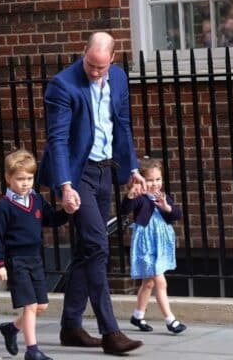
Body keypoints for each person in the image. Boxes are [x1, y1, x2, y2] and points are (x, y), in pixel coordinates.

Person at [37, 31, 146, 355]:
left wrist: (131, 171)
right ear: (84, 53)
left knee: (87, 250)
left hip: (104, 171)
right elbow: (57, 140)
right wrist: (64, 186)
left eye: (101, 67)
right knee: (98, 246)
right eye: (90, 65)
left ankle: (71, 327)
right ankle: (110, 332)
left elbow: (122, 126)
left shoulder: (119, 78)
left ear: (112, 59)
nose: (96, 72)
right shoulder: (63, 85)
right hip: (78, 173)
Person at [0, 148, 69, 360]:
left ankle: (12, 329)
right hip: (16, 262)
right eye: (20, 179)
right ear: (7, 178)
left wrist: (68, 211)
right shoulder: (2, 207)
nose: (25, 183)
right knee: (30, 305)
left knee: (41, 305)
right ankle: (32, 351)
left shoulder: (37, 200)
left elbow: (52, 220)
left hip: (35, 259)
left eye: (29, 178)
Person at [121, 157, 187, 335]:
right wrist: (130, 195)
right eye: (150, 180)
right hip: (146, 245)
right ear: (142, 180)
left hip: (161, 245)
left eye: (158, 179)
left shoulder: (163, 197)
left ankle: (138, 315)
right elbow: (125, 208)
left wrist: (167, 208)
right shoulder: (140, 198)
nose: (155, 183)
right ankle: (170, 320)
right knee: (160, 281)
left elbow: (177, 214)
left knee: (148, 283)